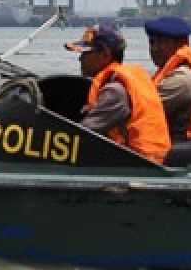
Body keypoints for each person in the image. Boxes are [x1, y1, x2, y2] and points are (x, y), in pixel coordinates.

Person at [65, 22, 171, 164]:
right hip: (150, 159)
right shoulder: (131, 79)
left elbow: (83, 133)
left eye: (86, 53)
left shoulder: (115, 91)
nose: (80, 59)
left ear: (105, 54)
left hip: (141, 165)